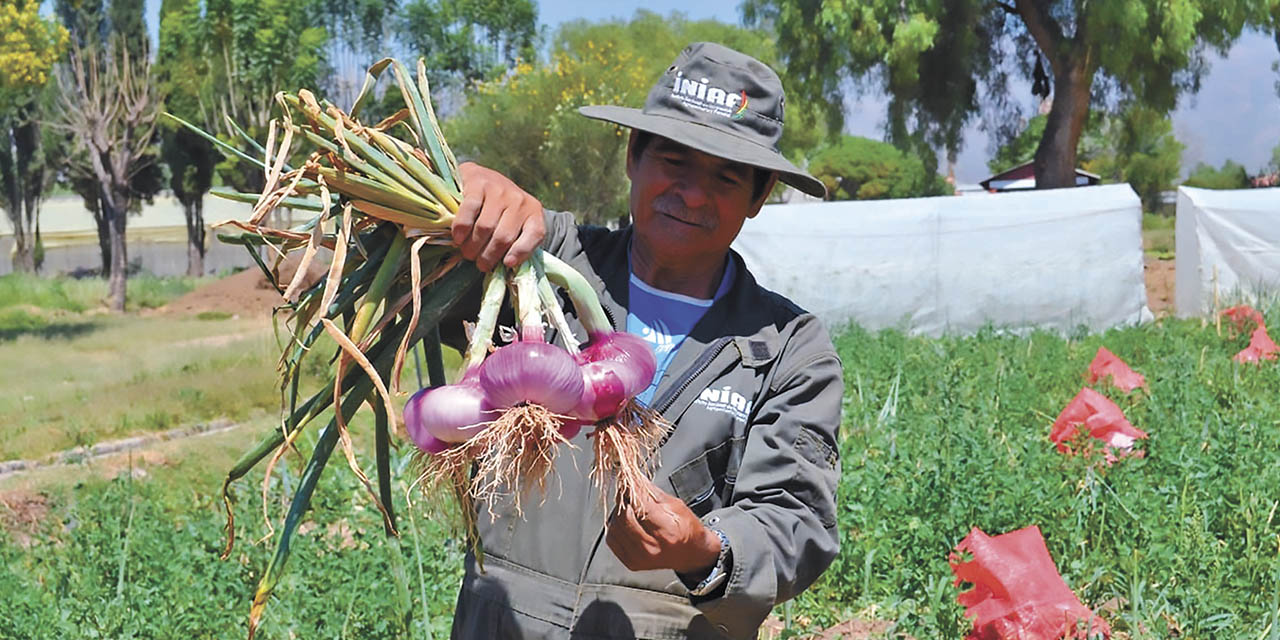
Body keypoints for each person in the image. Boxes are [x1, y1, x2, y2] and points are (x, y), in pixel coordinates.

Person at [445, 42, 843, 640]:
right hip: (500, 621)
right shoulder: (536, 255)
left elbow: (796, 518)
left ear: (759, 198)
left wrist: (706, 548)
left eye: (727, 177)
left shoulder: (786, 346)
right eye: (675, 162)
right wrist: (461, 185)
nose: (692, 193)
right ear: (634, 156)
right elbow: (376, 258)